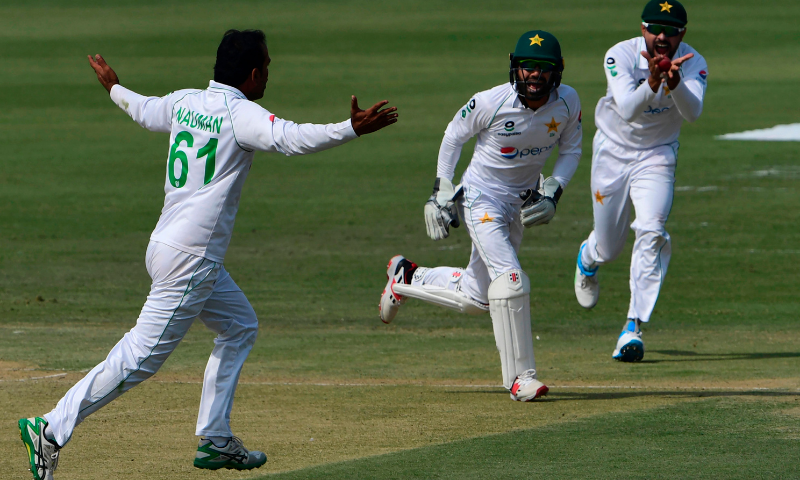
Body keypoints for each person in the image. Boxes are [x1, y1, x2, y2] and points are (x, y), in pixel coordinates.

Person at [18, 29, 397, 479]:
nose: (269, 75)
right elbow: (293, 138)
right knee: (140, 358)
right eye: (268, 68)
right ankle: (51, 428)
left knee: (239, 325)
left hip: (166, 247)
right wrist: (351, 128)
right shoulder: (241, 115)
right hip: (190, 260)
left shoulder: (185, 102)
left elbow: (141, 110)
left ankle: (216, 438)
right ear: (253, 74)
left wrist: (114, 85)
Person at [379, 30, 581, 402]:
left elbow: (572, 149)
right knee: (511, 278)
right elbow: (453, 135)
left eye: (543, 68)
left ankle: (406, 276)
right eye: (527, 67)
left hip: (519, 203)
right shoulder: (491, 101)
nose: (534, 75)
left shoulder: (567, 102)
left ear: (558, 72)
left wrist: (554, 191)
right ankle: (521, 379)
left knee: (479, 296)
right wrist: (441, 191)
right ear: (514, 68)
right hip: (480, 200)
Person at [573, 0, 707, 362]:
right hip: (613, 152)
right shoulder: (619, 55)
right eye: (654, 29)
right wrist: (652, 81)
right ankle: (589, 257)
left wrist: (675, 83)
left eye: (671, 31)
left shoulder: (695, 62)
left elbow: (692, 113)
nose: (662, 37)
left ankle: (632, 327)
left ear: (683, 33)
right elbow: (629, 110)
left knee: (651, 230)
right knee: (609, 247)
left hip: (658, 155)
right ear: (643, 28)